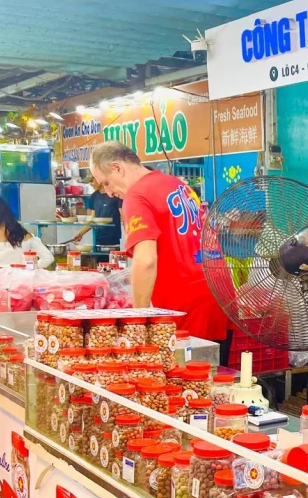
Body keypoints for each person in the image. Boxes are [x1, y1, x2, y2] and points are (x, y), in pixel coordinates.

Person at [88, 142, 230, 354]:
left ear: (118, 167)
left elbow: (145, 260)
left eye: (106, 183)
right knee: (213, 377)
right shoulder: (177, 184)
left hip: (185, 306)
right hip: (218, 294)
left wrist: (138, 318)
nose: (108, 193)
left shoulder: (137, 196)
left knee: (184, 380)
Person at [69, 180, 123, 249]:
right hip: (97, 238)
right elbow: (92, 220)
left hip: (113, 239)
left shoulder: (115, 194)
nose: (91, 184)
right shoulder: (94, 196)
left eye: (92, 181)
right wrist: (80, 233)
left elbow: (124, 217)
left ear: (99, 179)